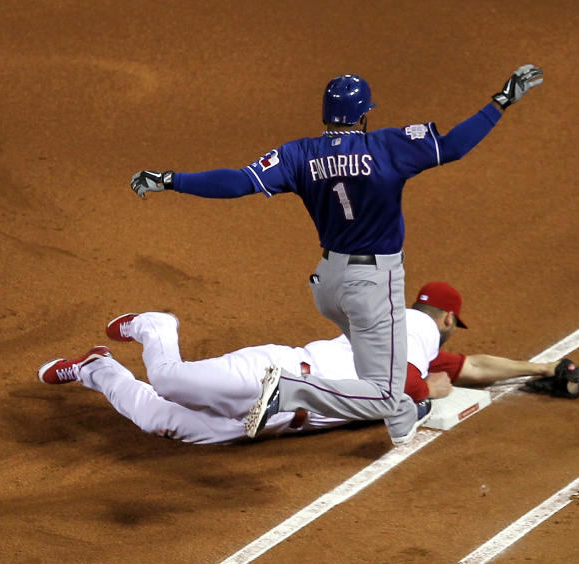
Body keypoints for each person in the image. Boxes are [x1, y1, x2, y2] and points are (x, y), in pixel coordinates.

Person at [129, 65, 544, 446]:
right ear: (364, 115)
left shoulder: (298, 154)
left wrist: (171, 180)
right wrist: (500, 102)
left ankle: (403, 422)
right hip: (372, 285)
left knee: (383, 376)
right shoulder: (387, 146)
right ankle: (290, 392)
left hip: (327, 284)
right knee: (386, 390)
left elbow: (237, 183)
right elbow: (453, 145)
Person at [36, 282, 579, 445]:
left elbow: (474, 366)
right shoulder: (411, 332)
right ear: (443, 316)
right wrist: (433, 391)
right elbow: (415, 388)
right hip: (273, 375)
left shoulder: (418, 343)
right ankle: (158, 327)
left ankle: (97, 369)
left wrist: (540, 367)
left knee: (162, 420)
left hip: (273, 417)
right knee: (170, 378)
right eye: (451, 325)